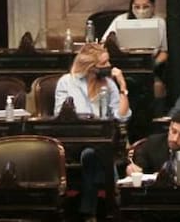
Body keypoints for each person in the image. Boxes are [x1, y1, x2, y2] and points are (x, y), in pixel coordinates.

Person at [54, 43, 130, 222]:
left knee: (92, 154)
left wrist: (122, 85)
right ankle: (116, 199)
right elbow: (60, 115)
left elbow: (122, 117)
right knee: (97, 153)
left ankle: (89, 212)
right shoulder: (67, 82)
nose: (109, 66)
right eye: (104, 63)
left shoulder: (109, 84)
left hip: (100, 141)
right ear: (91, 67)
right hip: (73, 140)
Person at [101, 0, 168, 104]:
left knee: (157, 88)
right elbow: (103, 44)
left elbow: (164, 52)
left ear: (153, 6)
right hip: (121, 66)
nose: (141, 10)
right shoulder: (120, 20)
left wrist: (154, 64)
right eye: (137, 7)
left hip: (147, 67)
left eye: (145, 6)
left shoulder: (160, 22)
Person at [126, 108, 180, 175]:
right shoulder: (152, 144)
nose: (175, 139)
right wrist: (133, 170)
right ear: (170, 127)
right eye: (174, 131)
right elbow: (140, 169)